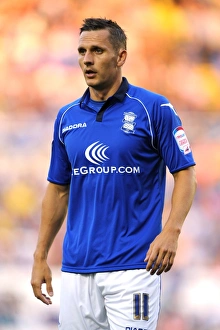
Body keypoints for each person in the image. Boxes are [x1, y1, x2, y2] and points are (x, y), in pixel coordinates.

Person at [31, 18, 197, 330]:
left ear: (121, 57)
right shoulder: (66, 117)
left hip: (134, 268)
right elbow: (57, 189)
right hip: (77, 270)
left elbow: (186, 172)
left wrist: (172, 231)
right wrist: (40, 255)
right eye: (82, 51)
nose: (87, 59)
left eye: (97, 50)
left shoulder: (154, 108)